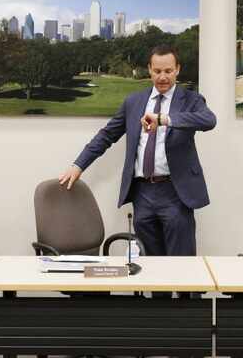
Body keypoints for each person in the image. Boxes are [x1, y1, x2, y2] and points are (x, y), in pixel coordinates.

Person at [59, 45, 216, 257]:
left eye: (168, 71)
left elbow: (209, 120)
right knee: (151, 266)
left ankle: (187, 293)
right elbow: (106, 135)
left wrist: (164, 119)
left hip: (176, 193)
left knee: (182, 265)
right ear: (149, 69)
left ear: (177, 69)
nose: (163, 77)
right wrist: (78, 166)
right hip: (143, 194)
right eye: (157, 71)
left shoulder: (191, 100)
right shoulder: (133, 102)